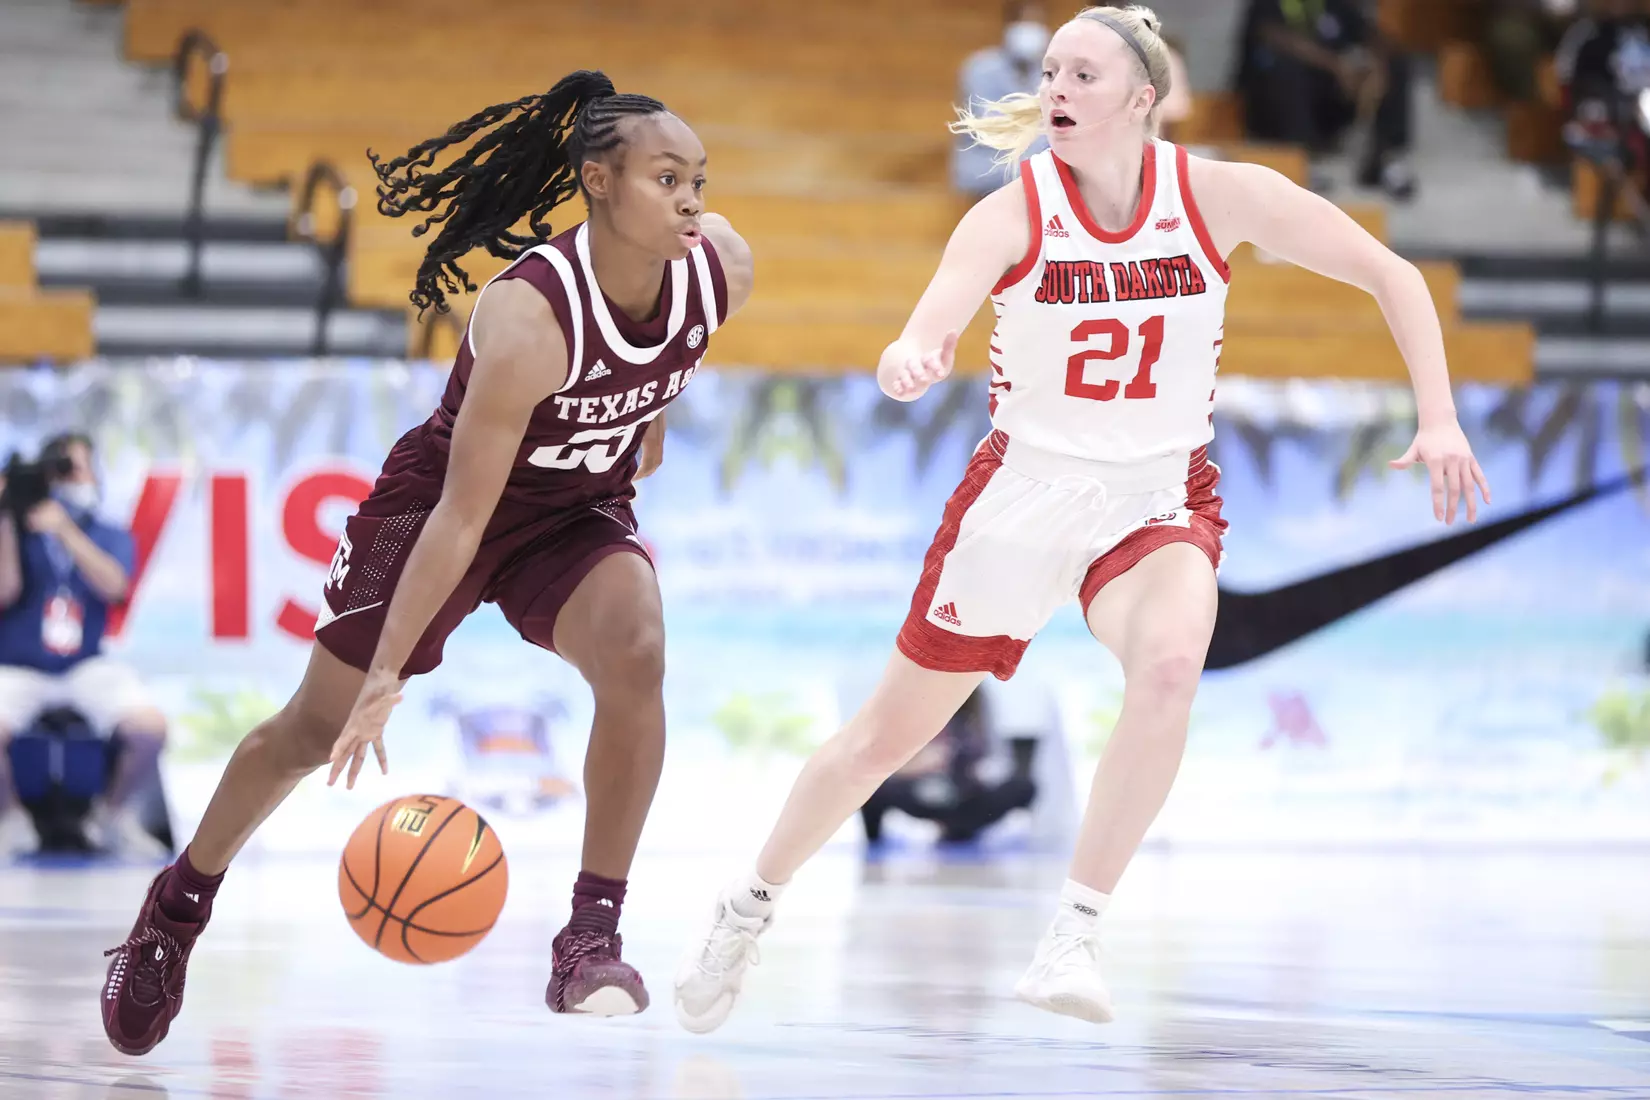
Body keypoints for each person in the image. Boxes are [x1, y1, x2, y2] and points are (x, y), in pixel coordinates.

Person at [674, 4, 1488, 1033]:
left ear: (1144, 98)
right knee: (879, 742)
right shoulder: (1013, 209)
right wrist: (912, 357)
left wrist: (1443, 416)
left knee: (1166, 669)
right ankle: (745, 907)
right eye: (1052, 70)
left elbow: (1394, 274)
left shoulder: (1220, 194)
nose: (1056, 87)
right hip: (1023, 497)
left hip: (1155, 497)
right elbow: (924, 329)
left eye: (1083, 74)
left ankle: (1074, 931)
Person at [99, 69, 754, 1057]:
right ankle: (174, 910)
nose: (693, 201)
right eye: (668, 179)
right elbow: (461, 516)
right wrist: (387, 676)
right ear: (599, 183)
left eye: (699, 179)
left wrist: (649, 416)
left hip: (571, 511)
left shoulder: (723, 266)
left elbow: (673, 347)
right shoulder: (531, 315)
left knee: (638, 648)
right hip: (445, 507)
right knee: (310, 730)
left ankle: (589, 934)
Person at [0, 433, 168, 858]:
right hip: (20, 665)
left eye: (76, 467)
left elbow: (115, 585)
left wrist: (64, 530)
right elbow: (5, 590)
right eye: (60, 468)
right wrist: (5, 516)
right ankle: (10, 820)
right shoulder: (15, 529)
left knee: (149, 729)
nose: (69, 477)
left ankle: (111, 818)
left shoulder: (107, 533)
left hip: (85, 665)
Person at [1235, 0, 1418, 199]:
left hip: (1327, 99)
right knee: (1286, 70)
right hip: (1272, 110)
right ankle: (1301, 162)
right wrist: (1336, 66)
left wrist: (1376, 62)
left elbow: (1369, 33)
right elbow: (1274, 36)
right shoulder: (1266, 5)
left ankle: (1385, 158)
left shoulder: (1334, 4)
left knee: (1396, 62)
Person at [955, 1, 1054, 197]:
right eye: (1024, 21)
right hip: (987, 172)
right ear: (1009, 26)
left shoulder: (1050, 71)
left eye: (1035, 21)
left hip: (1038, 178)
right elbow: (992, 124)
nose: (1030, 28)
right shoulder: (980, 68)